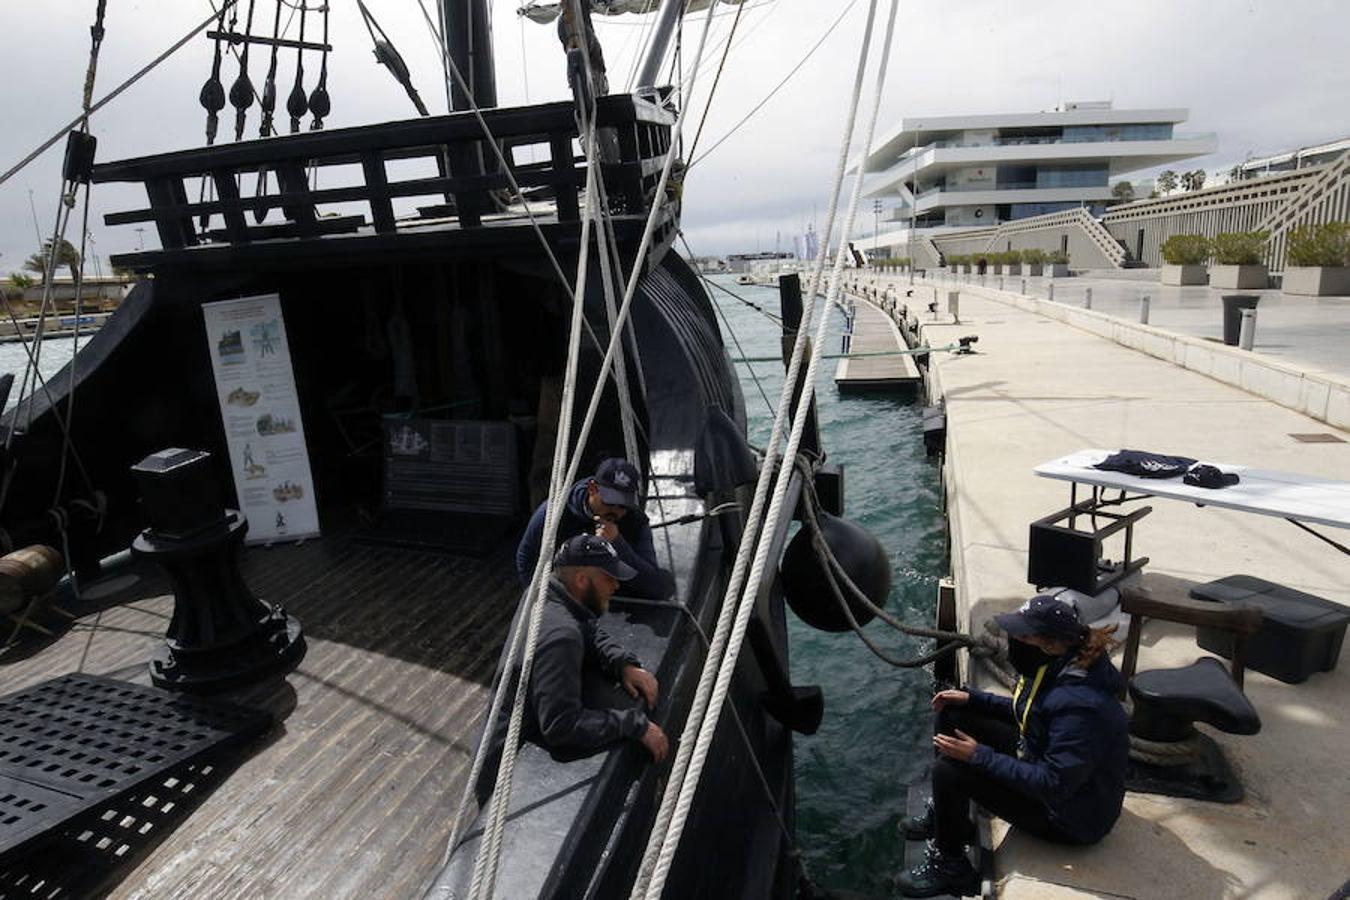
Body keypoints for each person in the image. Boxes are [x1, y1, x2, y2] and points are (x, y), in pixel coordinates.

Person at [895, 594, 1129, 898]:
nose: (1012, 639)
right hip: (1041, 761)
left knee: (949, 770)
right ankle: (946, 813)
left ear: (1050, 644)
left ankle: (952, 867)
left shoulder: (1082, 707)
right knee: (953, 713)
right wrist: (974, 698)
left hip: (1069, 816)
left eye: (1022, 635)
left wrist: (979, 755)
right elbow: (1033, 711)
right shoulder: (1057, 666)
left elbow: (1052, 783)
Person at [478, 534, 669, 806]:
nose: (616, 586)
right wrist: (635, 725)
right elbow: (561, 726)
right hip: (505, 779)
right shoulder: (561, 637)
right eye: (608, 577)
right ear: (581, 580)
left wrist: (621, 662)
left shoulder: (546, 591)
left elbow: (586, 625)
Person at [515, 457, 674, 600]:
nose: (616, 512)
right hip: (568, 598)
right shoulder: (553, 512)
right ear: (592, 489)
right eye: (609, 503)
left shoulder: (635, 522)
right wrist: (539, 601)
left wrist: (618, 544)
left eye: (623, 506)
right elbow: (527, 557)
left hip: (619, 604)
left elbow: (654, 585)